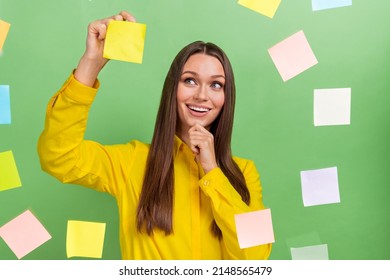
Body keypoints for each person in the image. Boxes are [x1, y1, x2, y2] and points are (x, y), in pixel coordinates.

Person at [37, 11, 272, 260]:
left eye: (216, 85)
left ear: (226, 98)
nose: (202, 95)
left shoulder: (245, 174)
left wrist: (213, 172)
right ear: (173, 89)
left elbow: (257, 256)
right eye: (190, 81)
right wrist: (90, 64)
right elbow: (59, 157)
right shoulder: (132, 162)